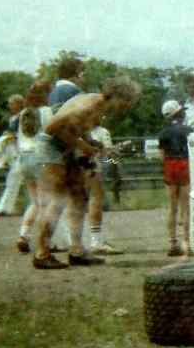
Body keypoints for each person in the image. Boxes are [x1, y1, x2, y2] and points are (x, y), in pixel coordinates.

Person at [33, 77, 140, 269]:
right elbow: (52, 127)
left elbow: (76, 127)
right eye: (128, 100)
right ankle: (41, 253)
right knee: (58, 198)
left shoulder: (98, 106)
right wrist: (83, 145)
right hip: (51, 147)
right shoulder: (91, 104)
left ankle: (77, 250)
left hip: (65, 146)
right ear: (118, 95)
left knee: (79, 197)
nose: (128, 106)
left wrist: (89, 141)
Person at [15, 80, 53, 253]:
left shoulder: (23, 113)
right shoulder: (46, 111)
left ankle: (23, 234)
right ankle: (45, 242)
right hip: (40, 157)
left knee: (35, 202)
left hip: (24, 159)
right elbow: (52, 131)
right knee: (46, 203)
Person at [157, 100, 193, 257]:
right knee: (185, 206)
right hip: (184, 163)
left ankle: (172, 242)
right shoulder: (189, 130)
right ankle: (186, 242)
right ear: (178, 114)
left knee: (172, 207)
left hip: (170, 164)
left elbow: (161, 156)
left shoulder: (163, 133)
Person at [85, 122, 122, 254]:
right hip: (94, 167)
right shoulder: (103, 132)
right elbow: (106, 153)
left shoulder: (80, 128)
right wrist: (112, 161)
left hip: (81, 165)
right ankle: (96, 241)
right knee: (96, 198)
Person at [0, 94, 24, 215]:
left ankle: (5, 207)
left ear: (19, 104)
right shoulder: (12, 118)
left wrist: (14, 136)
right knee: (13, 178)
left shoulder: (23, 116)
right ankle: (6, 207)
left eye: (12, 103)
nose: (10, 106)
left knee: (14, 177)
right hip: (14, 150)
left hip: (22, 150)